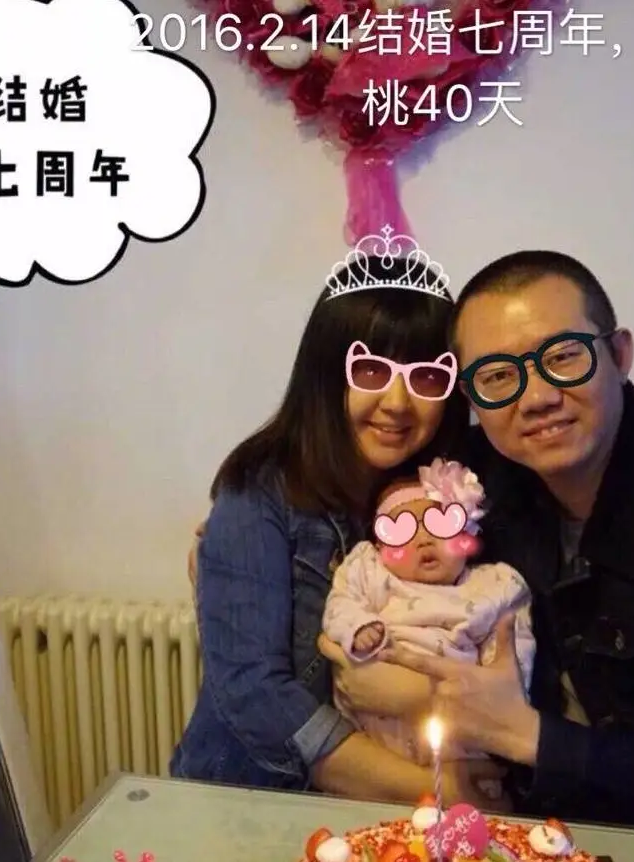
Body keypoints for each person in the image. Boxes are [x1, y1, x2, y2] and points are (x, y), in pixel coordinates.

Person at [171, 235, 505, 806]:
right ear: (325, 374)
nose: (397, 402)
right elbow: (254, 693)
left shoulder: (456, 492)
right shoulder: (259, 493)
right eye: (370, 370)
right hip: (262, 801)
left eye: (427, 377)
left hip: (407, 803)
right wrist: (437, 792)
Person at [376, 250, 634, 828]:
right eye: (498, 376)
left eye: (563, 356)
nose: (536, 398)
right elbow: (368, 498)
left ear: (620, 355)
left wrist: (527, 735)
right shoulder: (474, 479)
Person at [322, 457, 535, 766]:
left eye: (440, 525)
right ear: (380, 547)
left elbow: (513, 651)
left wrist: (499, 694)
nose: (423, 540)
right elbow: (340, 603)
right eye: (402, 530)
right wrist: (358, 626)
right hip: (374, 735)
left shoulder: (493, 585)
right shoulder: (370, 569)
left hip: (461, 736)